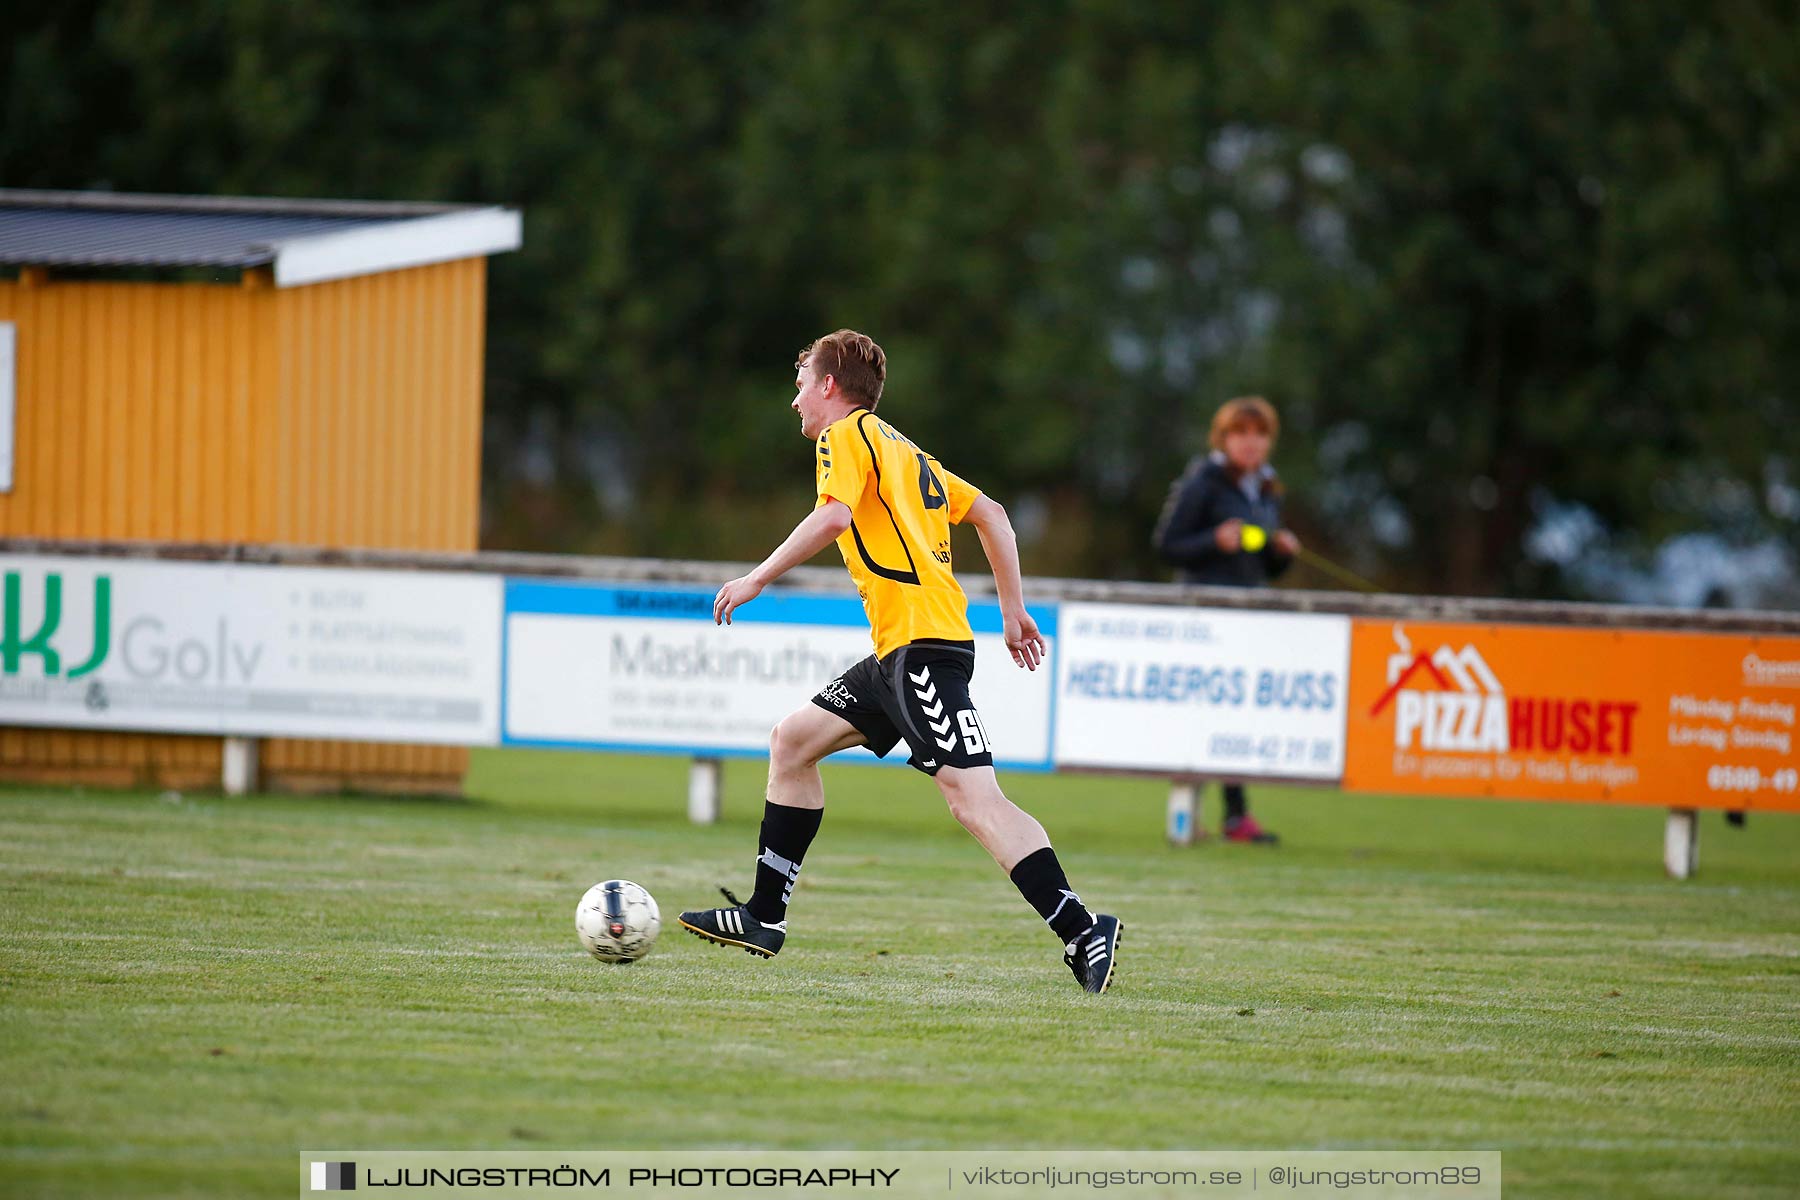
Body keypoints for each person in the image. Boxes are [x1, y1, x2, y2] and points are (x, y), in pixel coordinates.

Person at [678, 329, 1123, 993]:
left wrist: (756, 578)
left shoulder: (844, 438)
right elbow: (995, 515)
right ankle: (763, 917)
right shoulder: (904, 449)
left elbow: (832, 519)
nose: (795, 399)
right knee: (793, 742)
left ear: (829, 386)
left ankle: (1082, 927)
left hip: (922, 652)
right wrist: (1011, 610)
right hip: (901, 652)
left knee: (974, 801)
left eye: (802, 384)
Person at [1152, 395, 1300, 845]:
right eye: (1241, 433)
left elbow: (1264, 569)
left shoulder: (1267, 488)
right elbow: (1166, 544)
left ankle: (1233, 816)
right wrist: (1214, 541)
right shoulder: (1203, 481)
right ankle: (1207, 813)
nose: (1250, 443)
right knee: (1206, 713)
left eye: (1259, 434)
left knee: (1234, 715)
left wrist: (1280, 555)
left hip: (1248, 617)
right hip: (1206, 618)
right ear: (1224, 438)